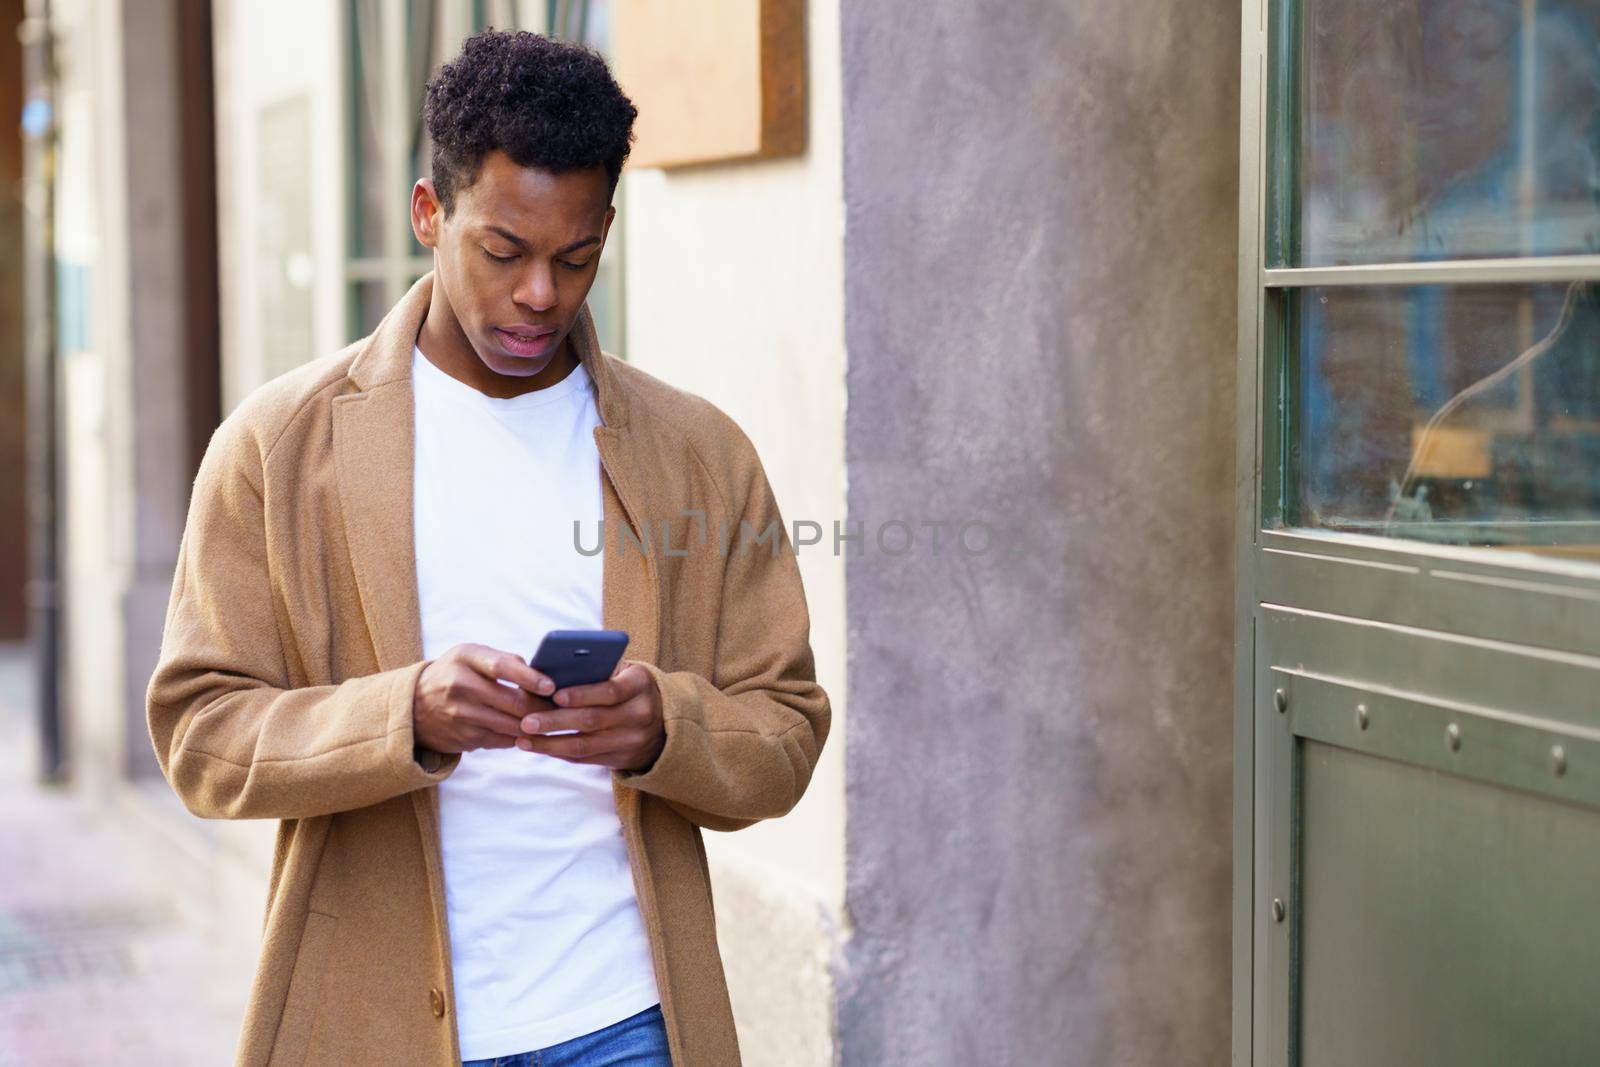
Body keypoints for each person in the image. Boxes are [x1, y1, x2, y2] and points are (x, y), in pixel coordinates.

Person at [145, 29, 829, 1067]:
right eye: (503, 252)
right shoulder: (280, 447)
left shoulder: (698, 452)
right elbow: (200, 735)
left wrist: (662, 725)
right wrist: (401, 712)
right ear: (431, 212)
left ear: (606, 227)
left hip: (628, 1018)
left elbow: (783, 729)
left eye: (576, 257)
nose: (540, 295)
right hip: (376, 1017)